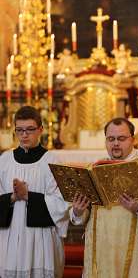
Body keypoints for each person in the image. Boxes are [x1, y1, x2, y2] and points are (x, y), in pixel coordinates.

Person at [72, 117, 138, 278]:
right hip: (102, 253)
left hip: (137, 254)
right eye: (111, 139)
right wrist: (77, 211)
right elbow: (82, 214)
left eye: (121, 138)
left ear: (132, 140)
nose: (115, 143)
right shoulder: (92, 170)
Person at [0, 106, 71, 278]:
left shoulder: (53, 161)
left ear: (40, 130)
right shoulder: (4, 160)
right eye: (20, 130)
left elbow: (62, 203)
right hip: (9, 236)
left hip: (42, 238)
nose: (24, 135)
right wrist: (12, 197)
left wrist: (28, 196)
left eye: (30, 130)